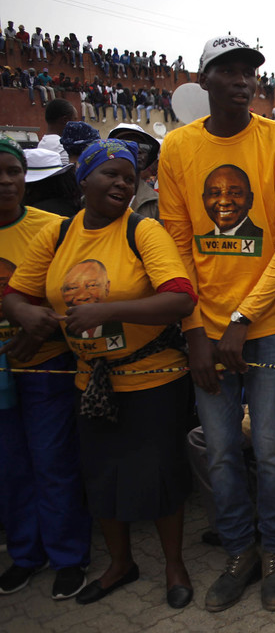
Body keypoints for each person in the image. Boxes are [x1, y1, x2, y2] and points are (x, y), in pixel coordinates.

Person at [2, 139, 197, 608]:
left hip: (154, 377)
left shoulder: (142, 231)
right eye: (110, 174)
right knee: (101, 476)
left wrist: (107, 310)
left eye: (129, 177)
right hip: (90, 381)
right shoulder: (59, 235)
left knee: (160, 475)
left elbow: (180, 298)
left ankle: (174, 565)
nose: (122, 183)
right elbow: (16, 291)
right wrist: (26, 315)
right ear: (83, 179)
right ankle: (120, 564)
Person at [158, 35, 275, 613]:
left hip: (266, 326)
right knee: (221, 449)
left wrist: (244, 318)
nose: (243, 79)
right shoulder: (177, 147)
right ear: (205, 80)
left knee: (271, 446)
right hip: (204, 329)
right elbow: (175, 244)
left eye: (250, 70)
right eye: (229, 69)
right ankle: (238, 551)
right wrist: (197, 331)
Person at [0, 135, 91, 602]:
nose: (5, 182)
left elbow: (79, 289)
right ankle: (25, 554)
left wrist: (35, 332)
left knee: (53, 461)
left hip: (46, 364)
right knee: (11, 464)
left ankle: (68, 555)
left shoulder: (53, 228)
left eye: (13, 172)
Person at [108, 123, 161, 220]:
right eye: (127, 145)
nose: (138, 150)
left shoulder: (158, 203)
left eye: (143, 146)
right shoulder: (94, 197)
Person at [37, 98, 77, 166]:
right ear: (65, 120)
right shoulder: (62, 147)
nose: (77, 124)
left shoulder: (41, 144)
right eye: (75, 119)